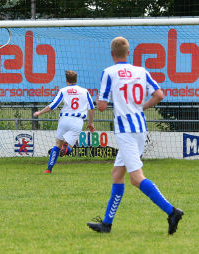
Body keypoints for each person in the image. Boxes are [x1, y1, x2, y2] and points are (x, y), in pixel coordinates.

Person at [86, 37, 183, 234]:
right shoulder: (141, 71)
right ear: (128, 53)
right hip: (139, 127)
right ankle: (106, 224)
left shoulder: (109, 72)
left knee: (136, 178)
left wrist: (98, 101)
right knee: (117, 175)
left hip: (125, 130)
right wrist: (141, 107)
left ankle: (172, 211)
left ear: (111, 53)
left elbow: (102, 106)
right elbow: (159, 94)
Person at [33, 70, 95, 174]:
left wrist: (40, 112)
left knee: (57, 144)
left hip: (64, 120)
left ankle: (48, 169)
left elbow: (52, 106)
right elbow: (92, 108)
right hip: (78, 121)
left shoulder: (63, 90)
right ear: (76, 79)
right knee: (69, 147)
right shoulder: (85, 91)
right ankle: (66, 149)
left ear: (66, 80)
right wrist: (90, 123)